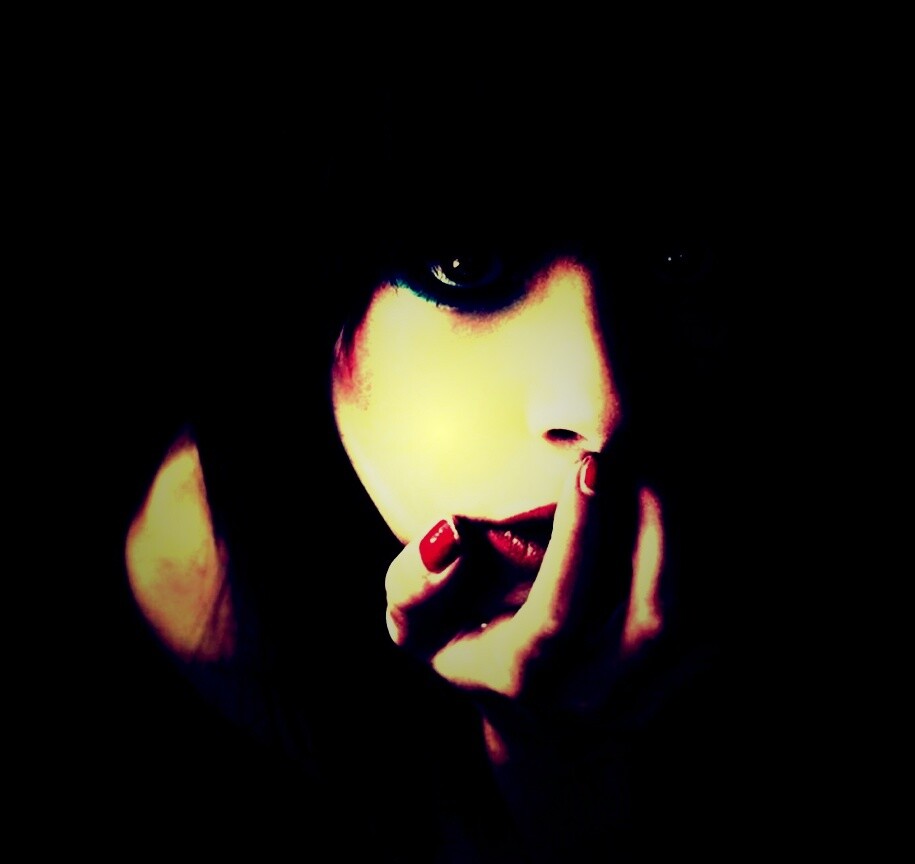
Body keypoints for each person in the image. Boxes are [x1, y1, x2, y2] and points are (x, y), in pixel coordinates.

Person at [99, 84, 772, 861]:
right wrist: (551, 769)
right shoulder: (210, 567)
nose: (602, 404)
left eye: (678, 257)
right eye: (464, 266)